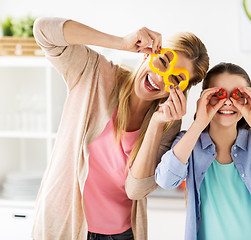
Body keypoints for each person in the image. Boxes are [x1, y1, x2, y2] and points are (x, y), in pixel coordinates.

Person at [31, 17, 209, 240]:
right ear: (149, 53)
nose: (160, 78)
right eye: (163, 62)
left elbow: (135, 190)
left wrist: (155, 124)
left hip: (121, 234)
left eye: (174, 78)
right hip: (64, 226)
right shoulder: (95, 73)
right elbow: (44, 31)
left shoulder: (168, 123)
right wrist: (121, 42)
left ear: (180, 90)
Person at [155, 62, 251, 240]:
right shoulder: (189, 143)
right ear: (204, 99)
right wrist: (199, 122)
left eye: (237, 95)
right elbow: (166, 180)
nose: (227, 102)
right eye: (218, 94)